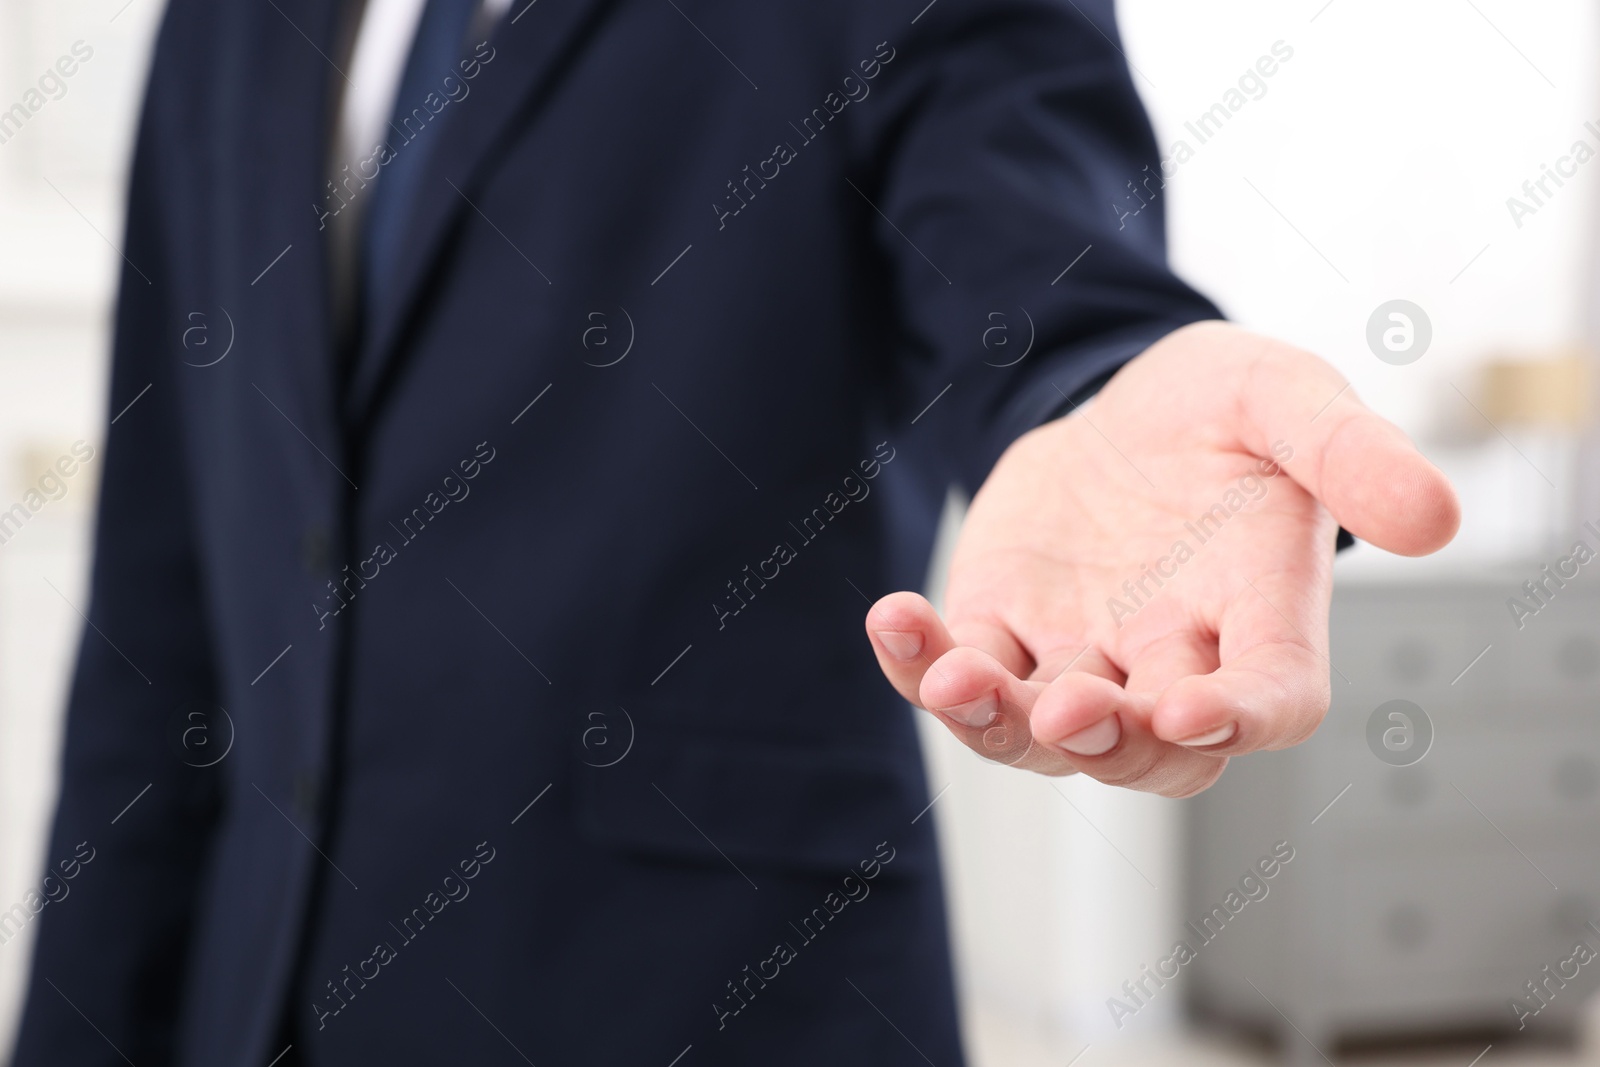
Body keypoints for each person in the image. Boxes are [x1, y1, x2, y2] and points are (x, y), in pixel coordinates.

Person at [12, 0, 1459, 1063]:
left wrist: (1106, 372)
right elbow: (160, 619)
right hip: (245, 1000)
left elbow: (1030, 252)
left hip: (705, 997)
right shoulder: (218, 27)